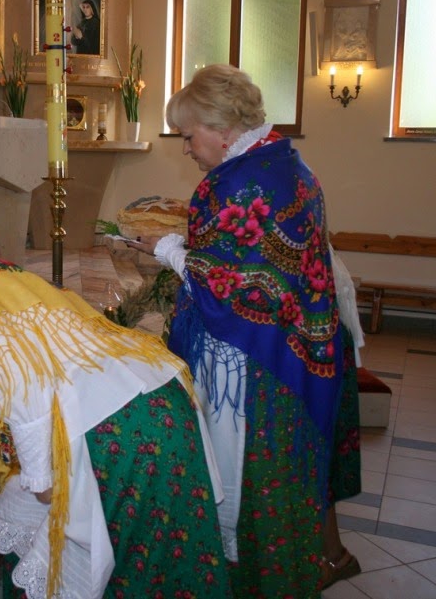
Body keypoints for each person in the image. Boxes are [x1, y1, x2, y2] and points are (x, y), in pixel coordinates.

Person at [0, 205, 231, 599]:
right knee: (171, 561)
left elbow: (20, 384)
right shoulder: (13, 277)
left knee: (123, 572)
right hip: (163, 404)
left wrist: (41, 482)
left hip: (119, 432)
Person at [130, 64, 362, 597]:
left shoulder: (235, 182)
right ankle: (322, 558)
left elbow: (225, 286)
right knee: (296, 469)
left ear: (221, 129)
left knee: (258, 479)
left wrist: (167, 249)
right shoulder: (286, 160)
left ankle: (267, 581)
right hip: (304, 346)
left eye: (188, 135)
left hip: (260, 361)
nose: (186, 148)